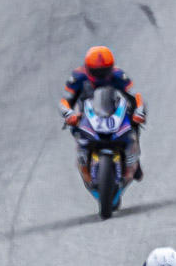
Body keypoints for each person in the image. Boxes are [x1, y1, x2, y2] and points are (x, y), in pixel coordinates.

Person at [59, 45, 147, 190]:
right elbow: (65, 100)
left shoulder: (118, 75)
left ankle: (134, 160)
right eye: (97, 71)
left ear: (111, 67)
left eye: (105, 70)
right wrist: (69, 114)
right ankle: (84, 162)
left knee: (134, 125)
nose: (101, 75)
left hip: (112, 109)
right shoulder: (77, 77)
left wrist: (139, 112)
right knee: (75, 129)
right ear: (88, 68)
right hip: (86, 112)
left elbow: (135, 95)